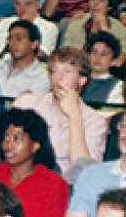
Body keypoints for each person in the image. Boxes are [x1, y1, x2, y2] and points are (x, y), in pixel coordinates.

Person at [12, 46, 107, 174]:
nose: (59, 77)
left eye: (67, 71)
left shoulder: (95, 121)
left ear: (82, 80)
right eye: (54, 71)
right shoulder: (27, 104)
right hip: (24, 174)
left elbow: (84, 172)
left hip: (65, 180)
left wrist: (75, 117)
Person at [0, 107, 68, 217]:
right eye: (6, 138)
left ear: (35, 145)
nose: (8, 145)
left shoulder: (54, 183)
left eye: (17, 139)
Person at [0, 19, 50, 98]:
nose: (12, 43)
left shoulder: (42, 77)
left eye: (18, 39)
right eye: (10, 39)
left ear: (34, 44)